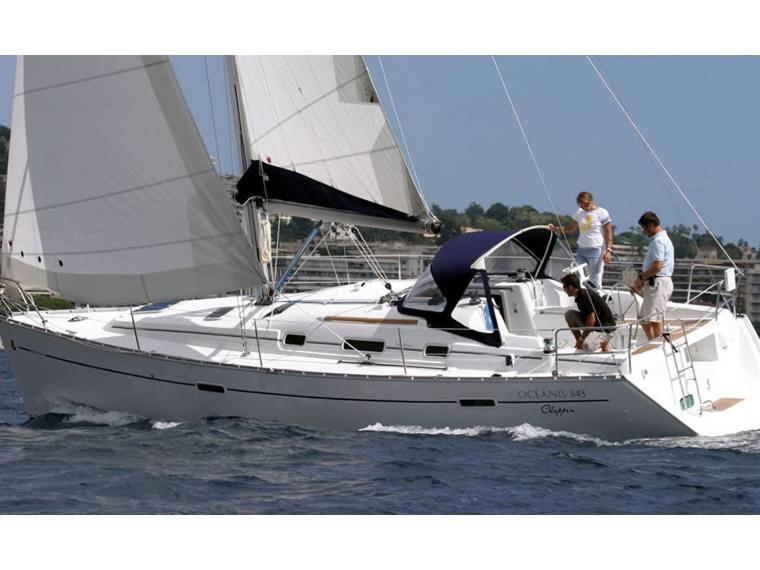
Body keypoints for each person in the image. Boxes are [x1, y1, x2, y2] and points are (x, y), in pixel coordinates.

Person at [548, 191, 613, 289]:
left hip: (596, 250)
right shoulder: (579, 212)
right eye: (581, 204)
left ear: (591, 201)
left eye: (586, 204)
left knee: (595, 278)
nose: (584, 207)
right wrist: (555, 229)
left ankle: (596, 299)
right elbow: (571, 228)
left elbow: (608, 233)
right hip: (582, 250)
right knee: (579, 276)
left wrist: (608, 250)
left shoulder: (602, 212)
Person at [634, 211, 674, 340]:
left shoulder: (658, 241)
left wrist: (641, 277)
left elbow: (658, 266)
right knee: (643, 318)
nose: (643, 231)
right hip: (654, 283)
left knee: (655, 319)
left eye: (644, 228)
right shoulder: (661, 239)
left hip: (658, 283)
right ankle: (652, 342)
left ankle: (658, 345)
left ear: (651, 225)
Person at [560, 273, 617, 352]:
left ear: (570, 287)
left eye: (564, 288)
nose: (564, 290)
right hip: (596, 326)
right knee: (569, 314)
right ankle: (579, 343)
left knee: (586, 346)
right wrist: (580, 339)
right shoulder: (580, 294)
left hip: (605, 329)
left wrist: (582, 338)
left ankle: (601, 343)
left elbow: (591, 319)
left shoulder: (583, 297)